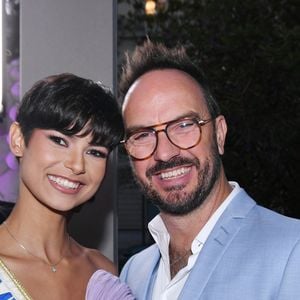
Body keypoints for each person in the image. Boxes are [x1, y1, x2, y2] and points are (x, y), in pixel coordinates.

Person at [118, 40, 300, 299]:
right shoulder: (133, 273)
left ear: (220, 134)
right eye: (143, 134)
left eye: (183, 125)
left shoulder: (293, 251)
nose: (164, 153)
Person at [0, 73, 134, 299]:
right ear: (18, 140)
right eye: (60, 141)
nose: (77, 165)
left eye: (95, 152)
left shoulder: (103, 275)